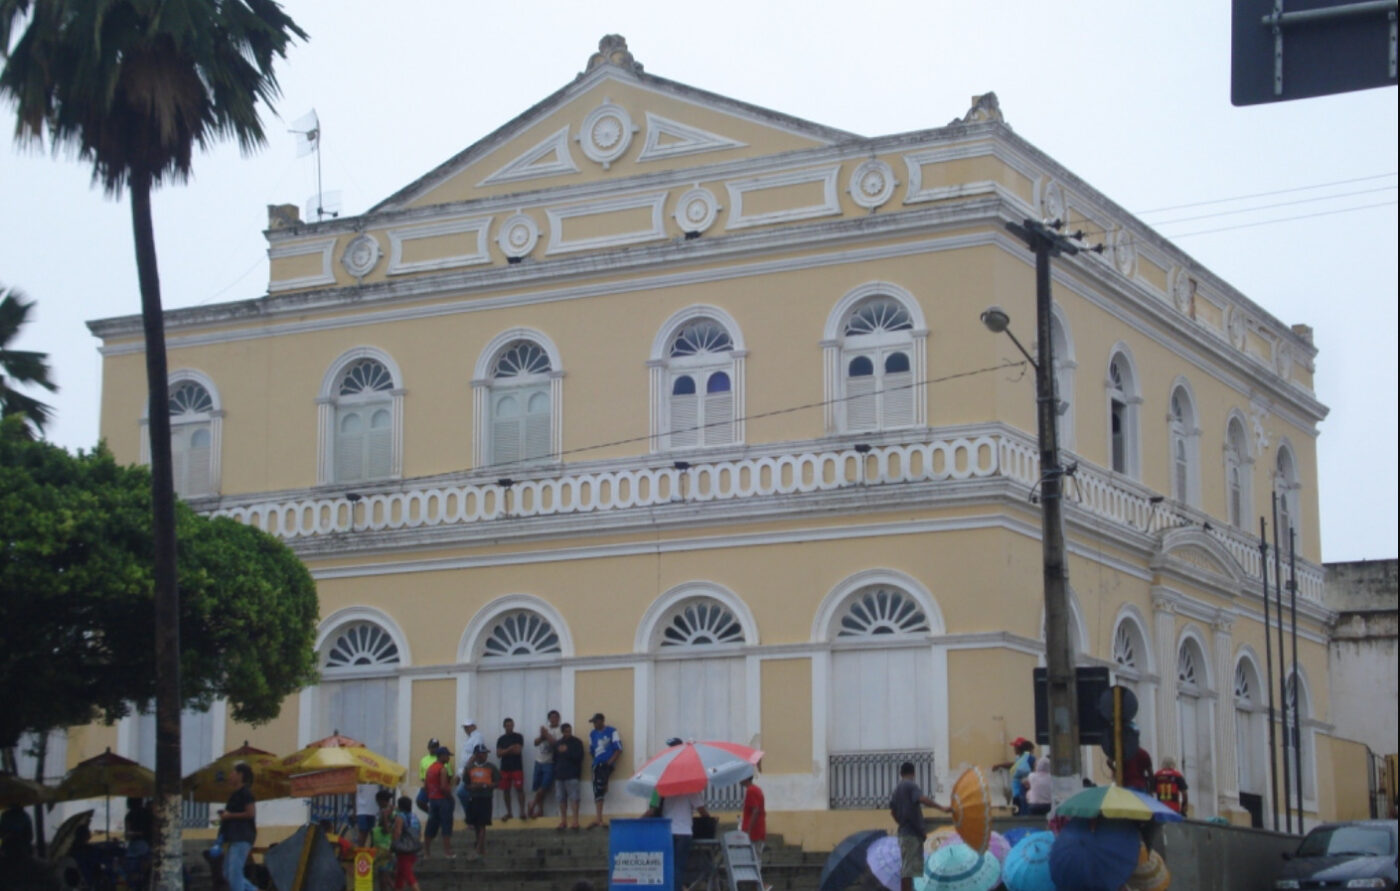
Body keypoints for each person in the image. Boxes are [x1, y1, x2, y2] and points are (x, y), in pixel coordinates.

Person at [889, 761, 950, 891]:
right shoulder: (911, 786)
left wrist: (901, 822)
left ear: (901, 773)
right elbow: (922, 799)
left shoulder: (897, 789)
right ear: (913, 773)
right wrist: (941, 808)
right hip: (911, 834)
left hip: (905, 832)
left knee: (908, 868)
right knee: (908, 870)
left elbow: (893, 812)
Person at [217, 762, 258, 891]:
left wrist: (229, 816)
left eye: (232, 773)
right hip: (233, 837)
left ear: (240, 775)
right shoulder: (235, 794)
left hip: (242, 837)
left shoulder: (245, 793)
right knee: (228, 873)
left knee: (234, 872)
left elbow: (250, 813)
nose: (230, 776)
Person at [661, 786, 710, 891]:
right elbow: (701, 810)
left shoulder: (665, 789)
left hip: (667, 831)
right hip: (684, 832)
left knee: (669, 865)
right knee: (678, 866)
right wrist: (709, 820)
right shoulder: (691, 789)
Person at [462, 744, 502, 861]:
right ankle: (481, 846)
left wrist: (486, 785)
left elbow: (497, 782)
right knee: (475, 824)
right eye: (482, 753)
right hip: (474, 797)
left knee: (482, 824)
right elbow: (466, 783)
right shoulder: (470, 768)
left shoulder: (491, 767)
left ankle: (478, 848)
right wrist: (472, 787)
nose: (484, 756)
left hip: (485, 797)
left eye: (485, 753)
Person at [587, 712, 623, 829]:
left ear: (602, 721)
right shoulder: (592, 734)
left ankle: (599, 819)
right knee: (597, 790)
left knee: (600, 788)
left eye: (596, 722)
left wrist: (609, 763)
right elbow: (592, 751)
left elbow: (618, 749)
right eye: (593, 722)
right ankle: (599, 818)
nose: (594, 724)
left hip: (606, 764)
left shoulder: (612, 731)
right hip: (597, 764)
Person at [528, 709, 562, 820]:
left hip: (550, 762)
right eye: (552, 717)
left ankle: (533, 803)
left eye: (556, 717)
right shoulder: (546, 730)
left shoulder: (559, 730)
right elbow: (535, 742)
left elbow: (555, 743)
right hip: (539, 761)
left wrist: (546, 734)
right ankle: (540, 810)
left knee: (544, 786)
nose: (553, 719)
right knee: (537, 787)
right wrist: (543, 735)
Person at [422, 744, 454, 859]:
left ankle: (426, 852)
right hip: (442, 800)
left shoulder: (430, 768)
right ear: (442, 756)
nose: (449, 758)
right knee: (446, 826)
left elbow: (425, 786)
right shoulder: (442, 769)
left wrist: (431, 795)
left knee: (431, 826)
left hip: (432, 800)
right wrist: (450, 797)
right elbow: (443, 787)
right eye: (447, 756)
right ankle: (447, 851)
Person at [554, 722, 585, 831]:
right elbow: (555, 759)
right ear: (562, 732)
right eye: (566, 731)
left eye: (569, 731)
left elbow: (579, 757)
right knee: (561, 799)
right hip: (559, 775)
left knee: (574, 798)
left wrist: (567, 752)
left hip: (572, 775)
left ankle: (575, 821)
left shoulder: (577, 742)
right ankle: (563, 821)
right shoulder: (557, 744)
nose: (568, 733)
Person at [993, 737, 1036, 815]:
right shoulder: (1020, 758)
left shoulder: (1028, 758)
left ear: (1020, 748)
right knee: (1017, 812)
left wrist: (999, 765)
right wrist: (1000, 765)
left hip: (1023, 792)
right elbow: (1013, 765)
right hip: (1017, 792)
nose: (1014, 749)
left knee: (1021, 813)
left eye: (1015, 747)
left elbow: (1032, 770)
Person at [496, 717, 526, 821]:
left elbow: (518, 751)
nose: (509, 727)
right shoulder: (501, 739)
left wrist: (505, 751)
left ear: (513, 725)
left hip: (517, 767)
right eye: (507, 725)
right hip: (505, 768)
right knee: (506, 790)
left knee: (519, 789)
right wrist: (510, 749)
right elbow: (498, 754)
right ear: (504, 726)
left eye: (511, 725)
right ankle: (509, 812)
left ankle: (522, 811)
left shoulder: (518, 737)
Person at [391, 795, 421, 891]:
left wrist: (393, 844)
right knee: (399, 876)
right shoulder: (414, 817)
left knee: (409, 877)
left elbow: (397, 832)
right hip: (413, 849)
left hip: (403, 850)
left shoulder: (400, 817)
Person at [416, 738, 449, 814]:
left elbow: (448, 775)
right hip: (427, 786)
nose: (434, 749)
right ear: (428, 748)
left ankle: (435, 816)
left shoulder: (442, 758)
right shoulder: (423, 760)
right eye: (432, 747)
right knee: (420, 801)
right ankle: (432, 813)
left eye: (436, 747)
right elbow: (422, 775)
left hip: (439, 786)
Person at [739, 773, 766, 857]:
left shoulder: (751, 791)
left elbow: (755, 810)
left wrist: (748, 829)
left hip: (754, 833)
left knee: (753, 859)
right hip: (757, 831)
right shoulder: (756, 789)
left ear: (745, 778)